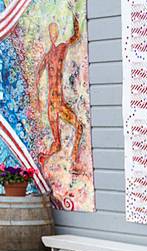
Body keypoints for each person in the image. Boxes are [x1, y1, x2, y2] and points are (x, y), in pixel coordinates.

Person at [35, 14, 84, 173]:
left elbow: (76, 36)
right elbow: (37, 75)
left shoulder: (56, 51)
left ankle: (44, 158)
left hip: (53, 104)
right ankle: (74, 161)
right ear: (50, 35)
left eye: (55, 31)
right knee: (78, 127)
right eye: (52, 31)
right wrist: (76, 17)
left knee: (57, 144)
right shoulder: (53, 53)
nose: (54, 34)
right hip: (56, 104)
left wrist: (75, 17)